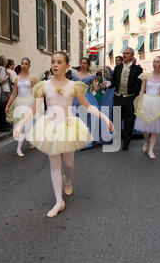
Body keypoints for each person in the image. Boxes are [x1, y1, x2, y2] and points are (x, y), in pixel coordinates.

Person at [13, 51, 114, 218]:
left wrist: (104, 117)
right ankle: (59, 201)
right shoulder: (43, 85)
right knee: (54, 165)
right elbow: (35, 108)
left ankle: (68, 179)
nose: (55, 65)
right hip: (50, 126)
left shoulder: (73, 86)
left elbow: (88, 106)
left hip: (68, 126)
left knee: (69, 165)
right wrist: (21, 124)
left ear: (67, 66)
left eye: (59, 62)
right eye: (53, 61)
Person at [134, 56, 160, 159]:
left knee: (155, 128)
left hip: (157, 103)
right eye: (154, 61)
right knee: (145, 128)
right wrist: (139, 103)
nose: (155, 64)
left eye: (158, 62)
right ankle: (146, 141)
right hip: (146, 102)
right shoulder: (146, 76)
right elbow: (142, 90)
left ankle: (151, 150)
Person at [110, 48, 143, 151]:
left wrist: (136, 97)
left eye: (127, 53)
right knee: (116, 119)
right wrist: (108, 84)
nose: (124, 55)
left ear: (132, 56)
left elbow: (140, 85)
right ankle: (120, 136)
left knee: (129, 121)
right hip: (118, 96)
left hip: (130, 98)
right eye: (123, 53)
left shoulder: (137, 69)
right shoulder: (117, 68)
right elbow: (114, 82)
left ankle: (126, 142)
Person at [5, 58, 38, 157]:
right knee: (22, 125)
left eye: (26, 64)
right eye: (22, 64)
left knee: (29, 124)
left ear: (29, 66)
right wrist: (8, 105)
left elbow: (36, 92)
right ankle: (19, 148)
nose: (24, 65)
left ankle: (31, 141)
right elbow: (14, 93)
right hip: (19, 103)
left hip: (30, 102)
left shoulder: (32, 78)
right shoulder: (16, 78)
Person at [72, 58, 101, 149]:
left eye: (85, 63)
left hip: (88, 98)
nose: (83, 65)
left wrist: (100, 85)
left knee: (89, 120)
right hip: (76, 99)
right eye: (81, 63)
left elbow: (95, 89)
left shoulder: (91, 76)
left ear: (88, 65)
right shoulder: (75, 75)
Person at [0, 55, 12, 132]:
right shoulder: (1, 69)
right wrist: (7, 76)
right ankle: (3, 126)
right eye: (6, 60)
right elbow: (1, 80)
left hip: (3, 90)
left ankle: (4, 126)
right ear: (4, 61)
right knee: (4, 109)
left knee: (3, 109)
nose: (7, 61)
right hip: (4, 91)